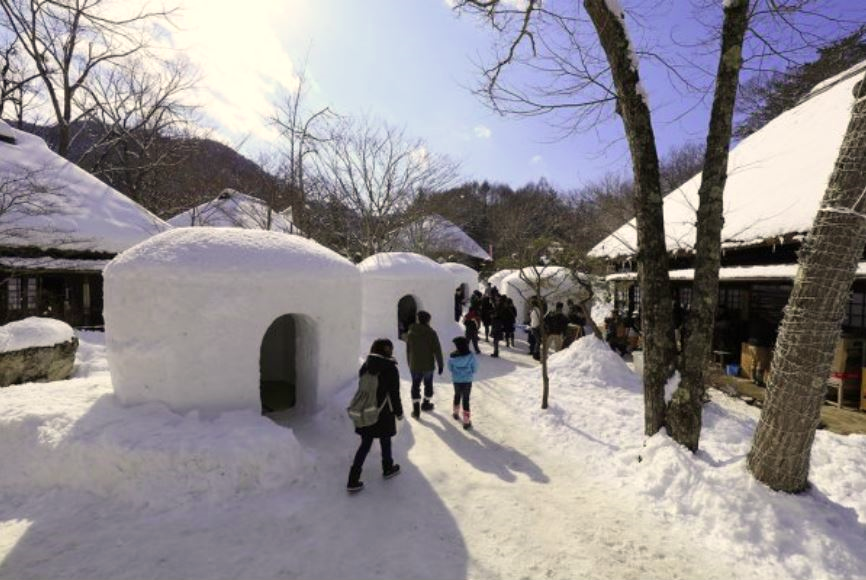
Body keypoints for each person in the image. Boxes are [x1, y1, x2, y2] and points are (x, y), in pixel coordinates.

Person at [347, 338, 404, 494]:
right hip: (383, 411)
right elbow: (394, 394)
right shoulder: (391, 369)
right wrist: (398, 412)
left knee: (365, 443)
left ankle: (353, 479)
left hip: (367, 409)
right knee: (385, 440)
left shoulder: (366, 365)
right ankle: (388, 468)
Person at [406, 310, 444, 418]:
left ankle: (416, 410)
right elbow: (437, 350)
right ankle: (426, 404)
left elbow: (408, 350)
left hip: (415, 365)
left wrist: (410, 363)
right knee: (428, 384)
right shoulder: (431, 333)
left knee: (415, 386)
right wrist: (440, 364)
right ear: (428, 320)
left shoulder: (411, 332)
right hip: (428, 365)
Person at [448, 336, 478, 430]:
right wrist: (469, 372)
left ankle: (456, 413)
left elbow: (450, 368)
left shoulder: (452, 357)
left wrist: (456, 372)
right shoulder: (471, 356)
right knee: (466, 399)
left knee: (457, 395)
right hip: (467, 380)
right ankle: (466, 421)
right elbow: (475, 368)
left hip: (456, 380)